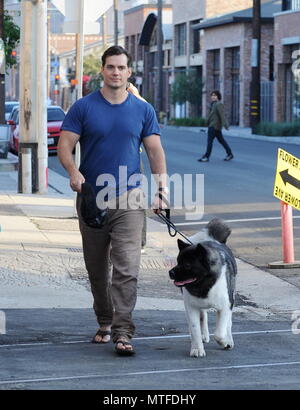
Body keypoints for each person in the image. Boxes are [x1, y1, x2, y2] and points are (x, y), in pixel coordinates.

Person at [58, 46, 167, 356]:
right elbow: (65, 145)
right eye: (111, 67)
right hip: (92, 197)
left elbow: (155, 152)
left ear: (129, 72)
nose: (116, 72)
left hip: (130, 197)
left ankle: (123, 330)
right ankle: (104, 320)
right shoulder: (83, 107)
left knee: (127, 267)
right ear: (102, 71)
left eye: (121, 67)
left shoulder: (142, 110)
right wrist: (73, 171)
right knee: (96, 268)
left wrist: (161, 191)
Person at [198, 90, 233, 162]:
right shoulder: (213, 104)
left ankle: (206, 157)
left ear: (218, 96)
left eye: (215, 95)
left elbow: (222, 115)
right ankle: (229, 154)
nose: (213, 97)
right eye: (212, 95)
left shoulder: (219, 104)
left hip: (214, 126)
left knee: (210, 142)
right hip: (215, 126)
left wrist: (225, 125)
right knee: (221, 141)